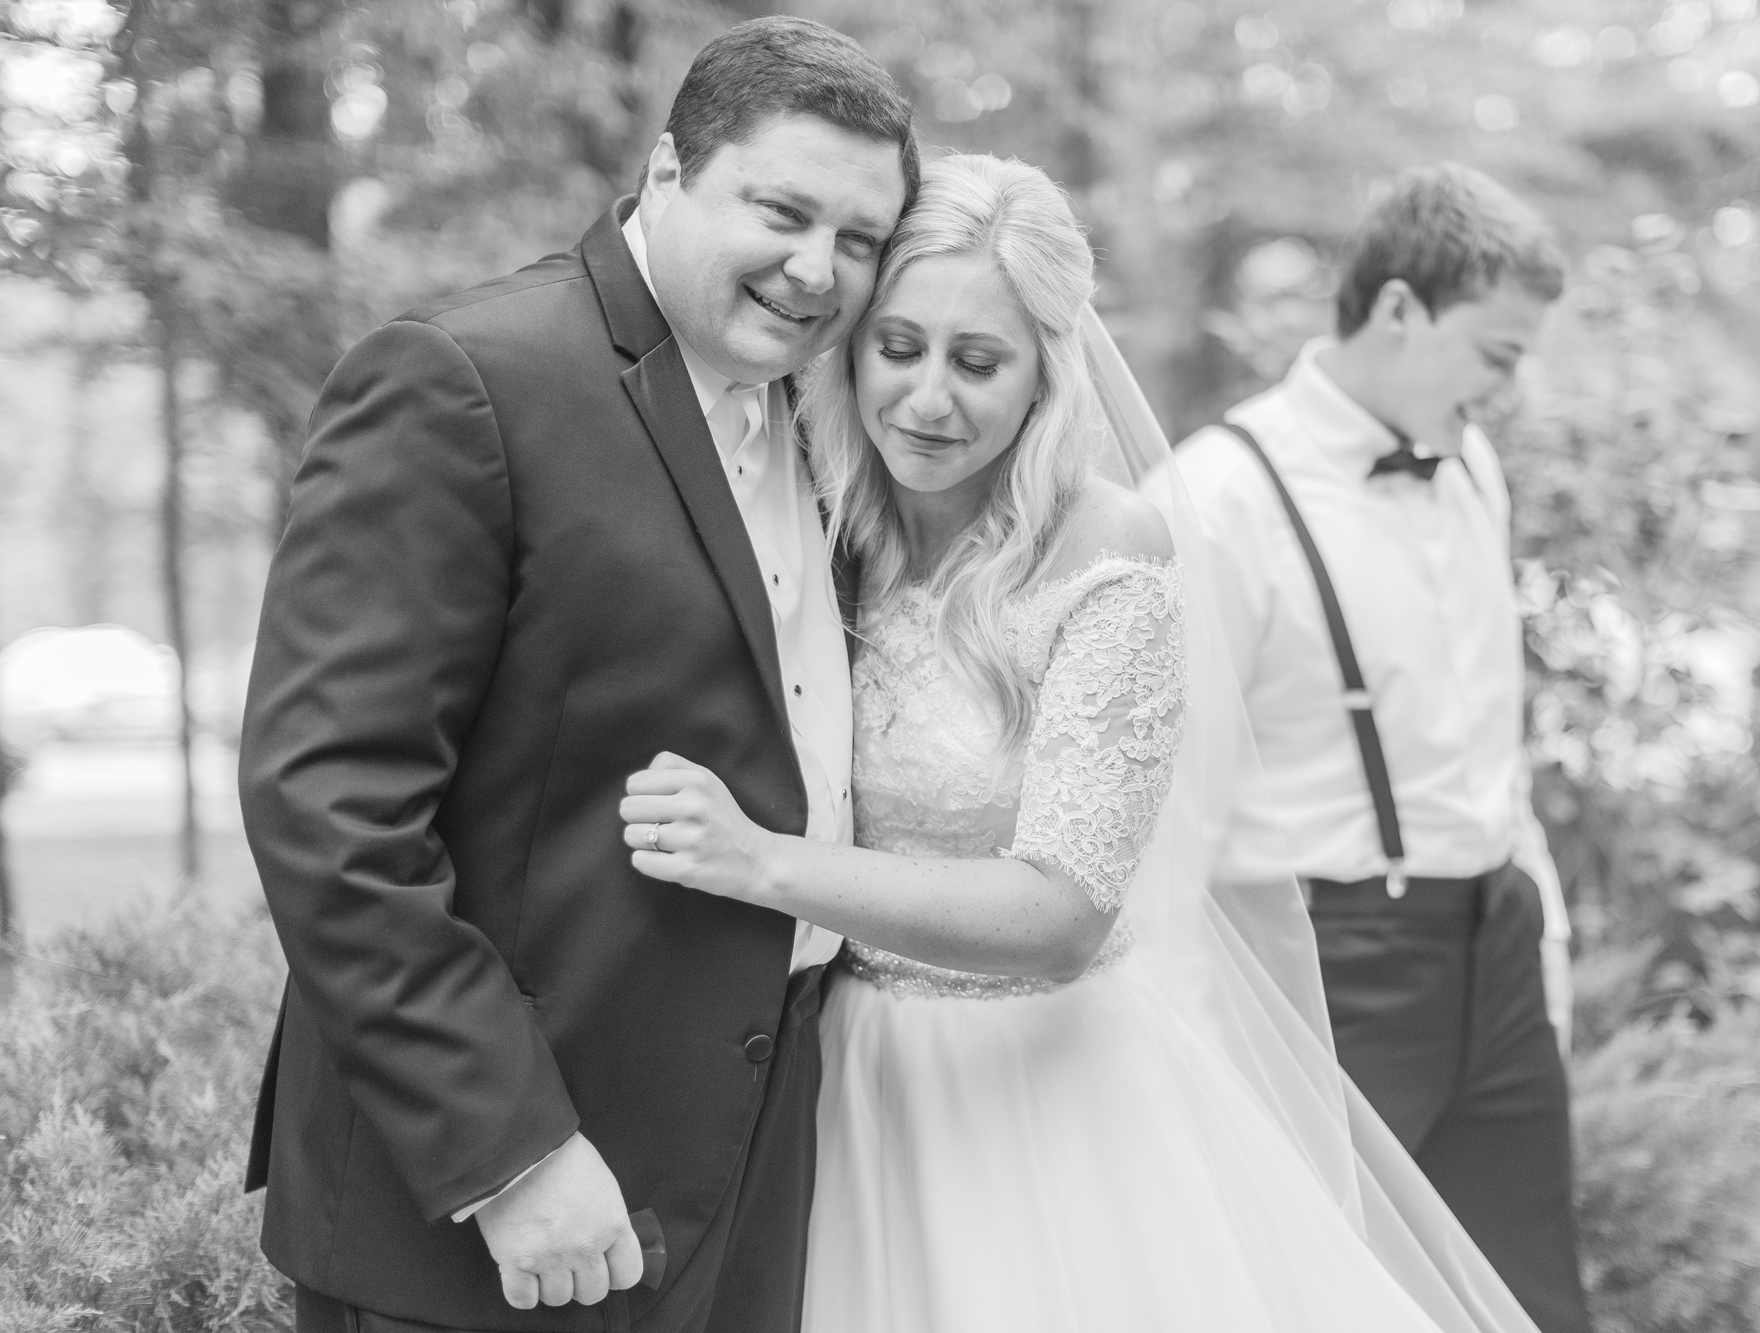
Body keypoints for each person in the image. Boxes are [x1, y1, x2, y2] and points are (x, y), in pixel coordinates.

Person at [617, 152, 1543, 1333]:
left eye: (978, 362)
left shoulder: (1105, 549)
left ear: (1045, 377)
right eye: (898, 346)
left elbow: (1063, 913)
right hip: (836, 1076)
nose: (927, 399)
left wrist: (760, 862)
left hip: (1042, 1094)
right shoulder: (817, 517)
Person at [237, 19, 914, 1333]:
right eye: (782, 210)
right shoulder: (465, 380)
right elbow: (330, 809)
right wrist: (512, 1155)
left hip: (753, 1167)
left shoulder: (821, 421)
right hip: (505, 1207)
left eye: (859, 238)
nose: (816, 268)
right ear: (666, 171)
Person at [1163, 163, 1592, 1333]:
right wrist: (1196, 1059)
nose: (1508, 388)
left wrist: (1538, 948)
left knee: (1521, 1302)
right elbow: (1168, 822)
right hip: (1330, 967)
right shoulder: (1216, 498)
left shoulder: (1471, 466)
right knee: (1308, 1299)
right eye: (1495, 352)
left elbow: (1486, 740)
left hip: (1496, 949)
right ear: (1398, 308)